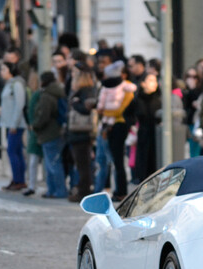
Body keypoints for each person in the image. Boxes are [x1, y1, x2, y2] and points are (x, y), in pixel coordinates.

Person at [95, 61, 137, 200]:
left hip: (119, 126)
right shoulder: (106, 87)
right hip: (107, 126)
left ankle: (120, 191)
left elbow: (120, 110)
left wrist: (106, 112)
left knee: (117, 160)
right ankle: (112, 189)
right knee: (108, 159)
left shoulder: (127, 88)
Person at [33, 72, 67, 199]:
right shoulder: (58, 92)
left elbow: (43, 116)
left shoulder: (47, 95)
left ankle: (58, 191)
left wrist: (35, 126)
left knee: (52, 163)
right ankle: (53, 190)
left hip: (49, 133)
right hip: (57, 132)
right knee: (53, 163)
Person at [66, 63, 97, 202]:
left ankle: (84, 191)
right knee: (80, 163)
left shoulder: (86, 90)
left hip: (82, 132)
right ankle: (82, 189)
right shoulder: (78, 89)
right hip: (76, 132)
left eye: (74, 73)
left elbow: (88, 109)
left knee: (83, 164)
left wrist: (75, 104)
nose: (72, 75)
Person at [0, 62, 27, 191]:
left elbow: (19, 105)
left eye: (4, 69)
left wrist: (14, 123)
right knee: (16, 151)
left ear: (10, 70)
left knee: (12, 151)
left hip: (16, 124)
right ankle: (17, 179)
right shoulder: (8, 84)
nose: (1, 72)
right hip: (10, 122)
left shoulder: (17, 84)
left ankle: (18, 180)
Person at [135, 73, 162, 180]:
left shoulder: (159, 100)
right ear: (143, 83)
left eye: (155, 80)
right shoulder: (138, 99)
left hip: (156, 136)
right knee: (143, 164)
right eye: (150, 80)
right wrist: (132, 126)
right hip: (143, 135)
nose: (154, 83)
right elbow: (128, 114)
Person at [182, 64, 203, 158]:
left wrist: (192, 88)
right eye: (189, 76)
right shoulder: (183, 90)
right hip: (185, 123)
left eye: (194, 77)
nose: (191, 79)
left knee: (195, 150)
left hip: (195, 123)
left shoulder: (199, 90)